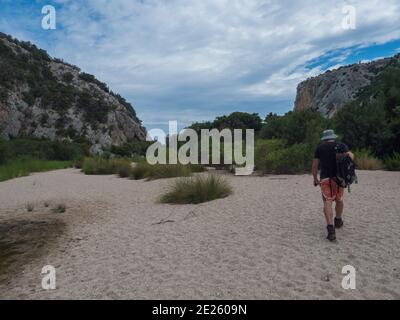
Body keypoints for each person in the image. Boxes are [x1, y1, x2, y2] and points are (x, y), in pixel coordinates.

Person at [312, 130, 355, 242]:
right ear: (333, 137)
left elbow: (315, 165)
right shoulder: (341, 145)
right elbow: (351, 156)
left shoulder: (320, 148)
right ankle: (338, 220)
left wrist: (315, 179)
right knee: (339, 199)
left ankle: (330, 228)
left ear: (324, 138)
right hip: (340, 178)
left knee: (327, 201)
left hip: (325, 178)